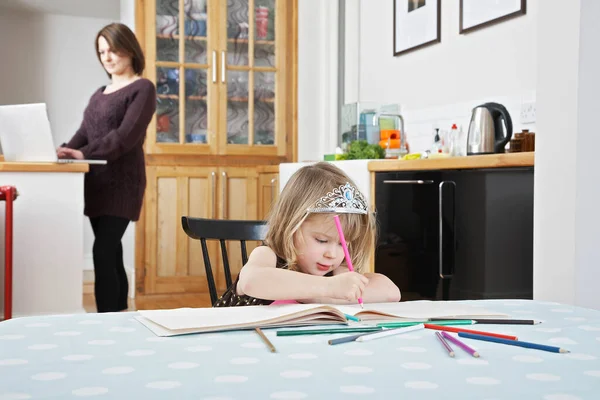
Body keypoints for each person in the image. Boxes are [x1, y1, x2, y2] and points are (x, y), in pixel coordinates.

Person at [57, 23, 156, 312]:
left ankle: (104, 318)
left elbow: (125, 137)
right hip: (96, 182)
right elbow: (84, 132)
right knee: (111, 249)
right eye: (102, 52)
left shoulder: (142, 88)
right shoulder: (99, 93)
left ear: (129, 49)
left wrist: (81, 153)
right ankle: (121, 312)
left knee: (102, 250)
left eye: (113, 49)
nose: (107, 57)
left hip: (123, 183)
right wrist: (64, 150)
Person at [214, 162, 401, 307]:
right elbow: (252, 281)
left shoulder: (337, 271)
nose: (332, 254)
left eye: (343, 243)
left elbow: (391, 291)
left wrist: (335, 295)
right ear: (291, 225)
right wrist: (329, 289)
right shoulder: (269, 255)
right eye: (321, 240)